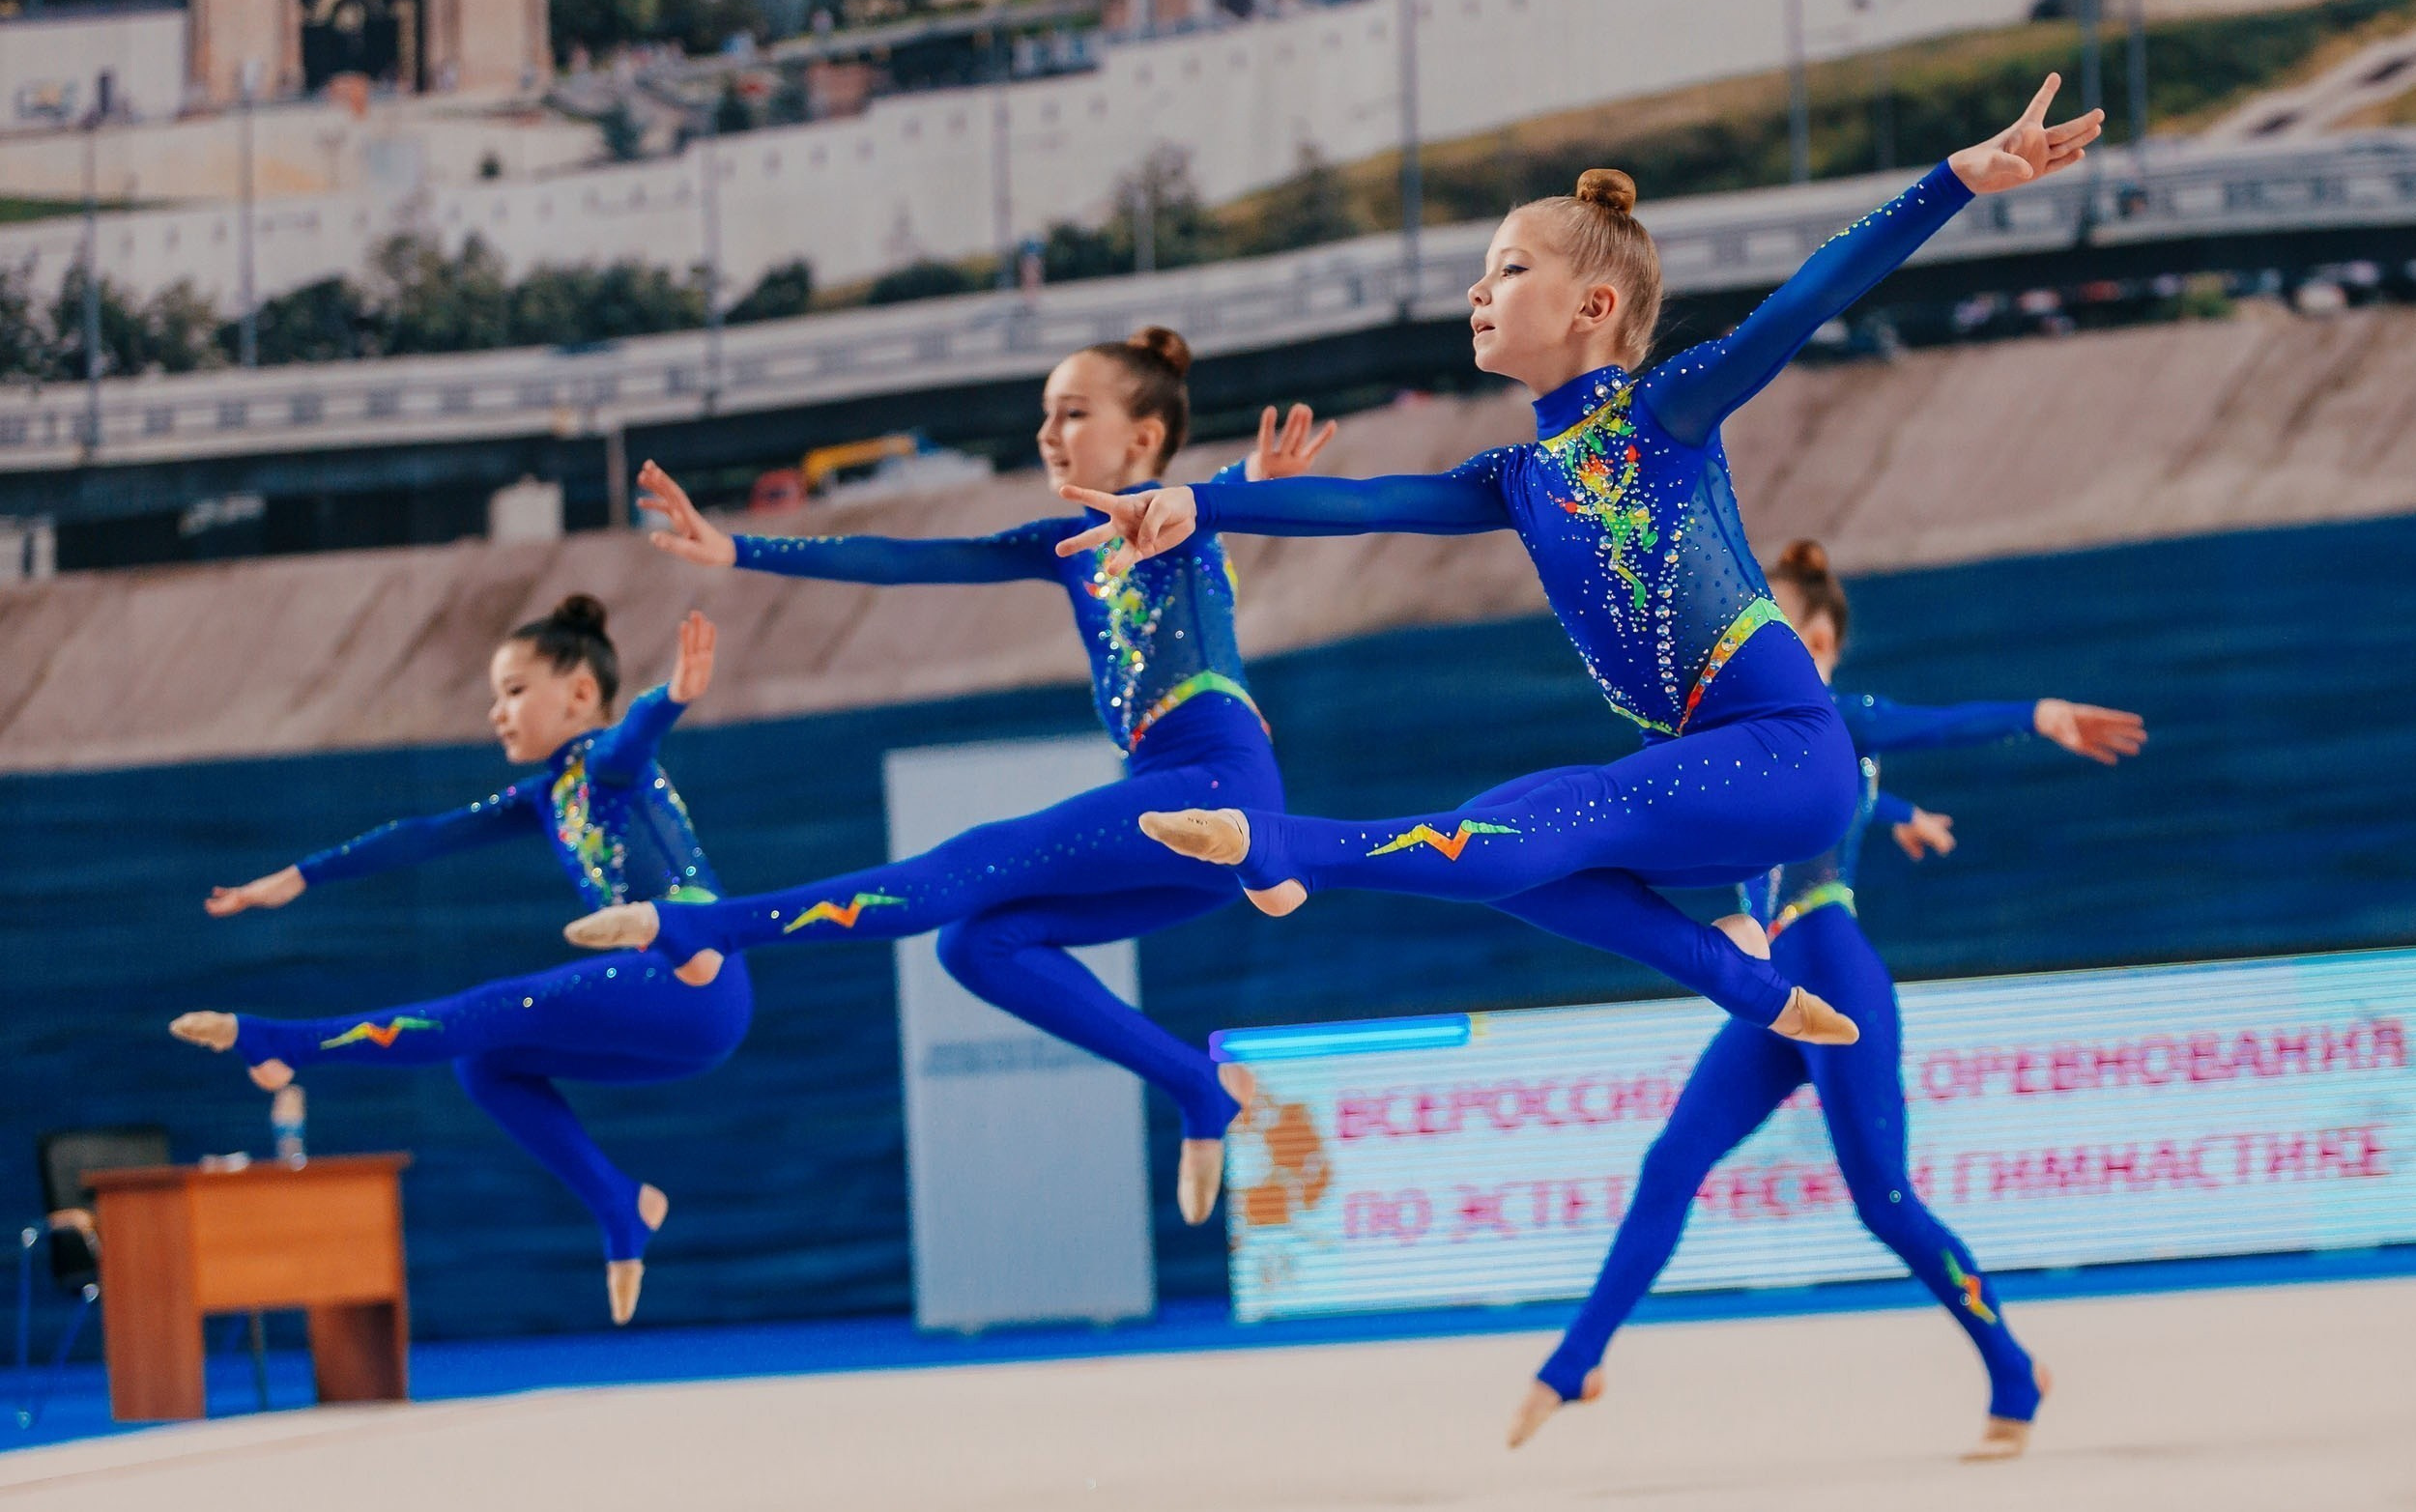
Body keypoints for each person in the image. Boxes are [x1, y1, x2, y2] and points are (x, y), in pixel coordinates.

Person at [1057, 75, 2105, 1047]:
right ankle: (1735, 972)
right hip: (1710, 800)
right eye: (1482, 273)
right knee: (1509, 844)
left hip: (1790, 758)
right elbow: (1367, 500)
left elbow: (1805, 301)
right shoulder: (1515, 478)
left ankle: (1284, 847)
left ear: (1593, 307)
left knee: (1537, 824)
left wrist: (1953, 181)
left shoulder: (1666, 409)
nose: (1478, 291)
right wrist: (1196, 501)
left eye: (1509, 269)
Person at [564, 328, 1336, 1226]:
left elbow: (1224, 496)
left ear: (1143, 438)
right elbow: (904, 559)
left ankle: (709, 927)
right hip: (1175, 818)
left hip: (1217, 791)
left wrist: (1254, 478)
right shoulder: (1064, 544)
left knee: (976, 860)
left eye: (1072, 413)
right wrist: (737, 549)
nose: (1047, 432)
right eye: (1044, 414)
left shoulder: (1181, 515)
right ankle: (1200, 1087)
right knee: (977, 946)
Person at [1509, 538, 2144, 1454]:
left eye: (1749, 622)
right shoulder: (1753, 739)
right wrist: (1898, 812)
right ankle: (1578, 1360)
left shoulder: (1835, 718)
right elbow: (1833, 795)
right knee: (1671, 1160)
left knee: (1883, 1200)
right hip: (1773, 992)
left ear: (1810, 640)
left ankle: (2013, 1367)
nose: (1728, 637)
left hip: (1837, 978)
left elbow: (1932, 726)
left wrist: (2038, 715)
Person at [172, 602, 744, 1326]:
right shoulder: (548, 794)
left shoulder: (606, 763)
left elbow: (634, 735)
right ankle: (620, 1203)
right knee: (484, 1060)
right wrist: (299, 876)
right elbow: (424, 835)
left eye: (513, 691)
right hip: (678, 1011)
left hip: (695, 982)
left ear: (578, 693)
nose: (496, 712)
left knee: (496, 1008)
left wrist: (673, 697)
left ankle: (287, 1042)